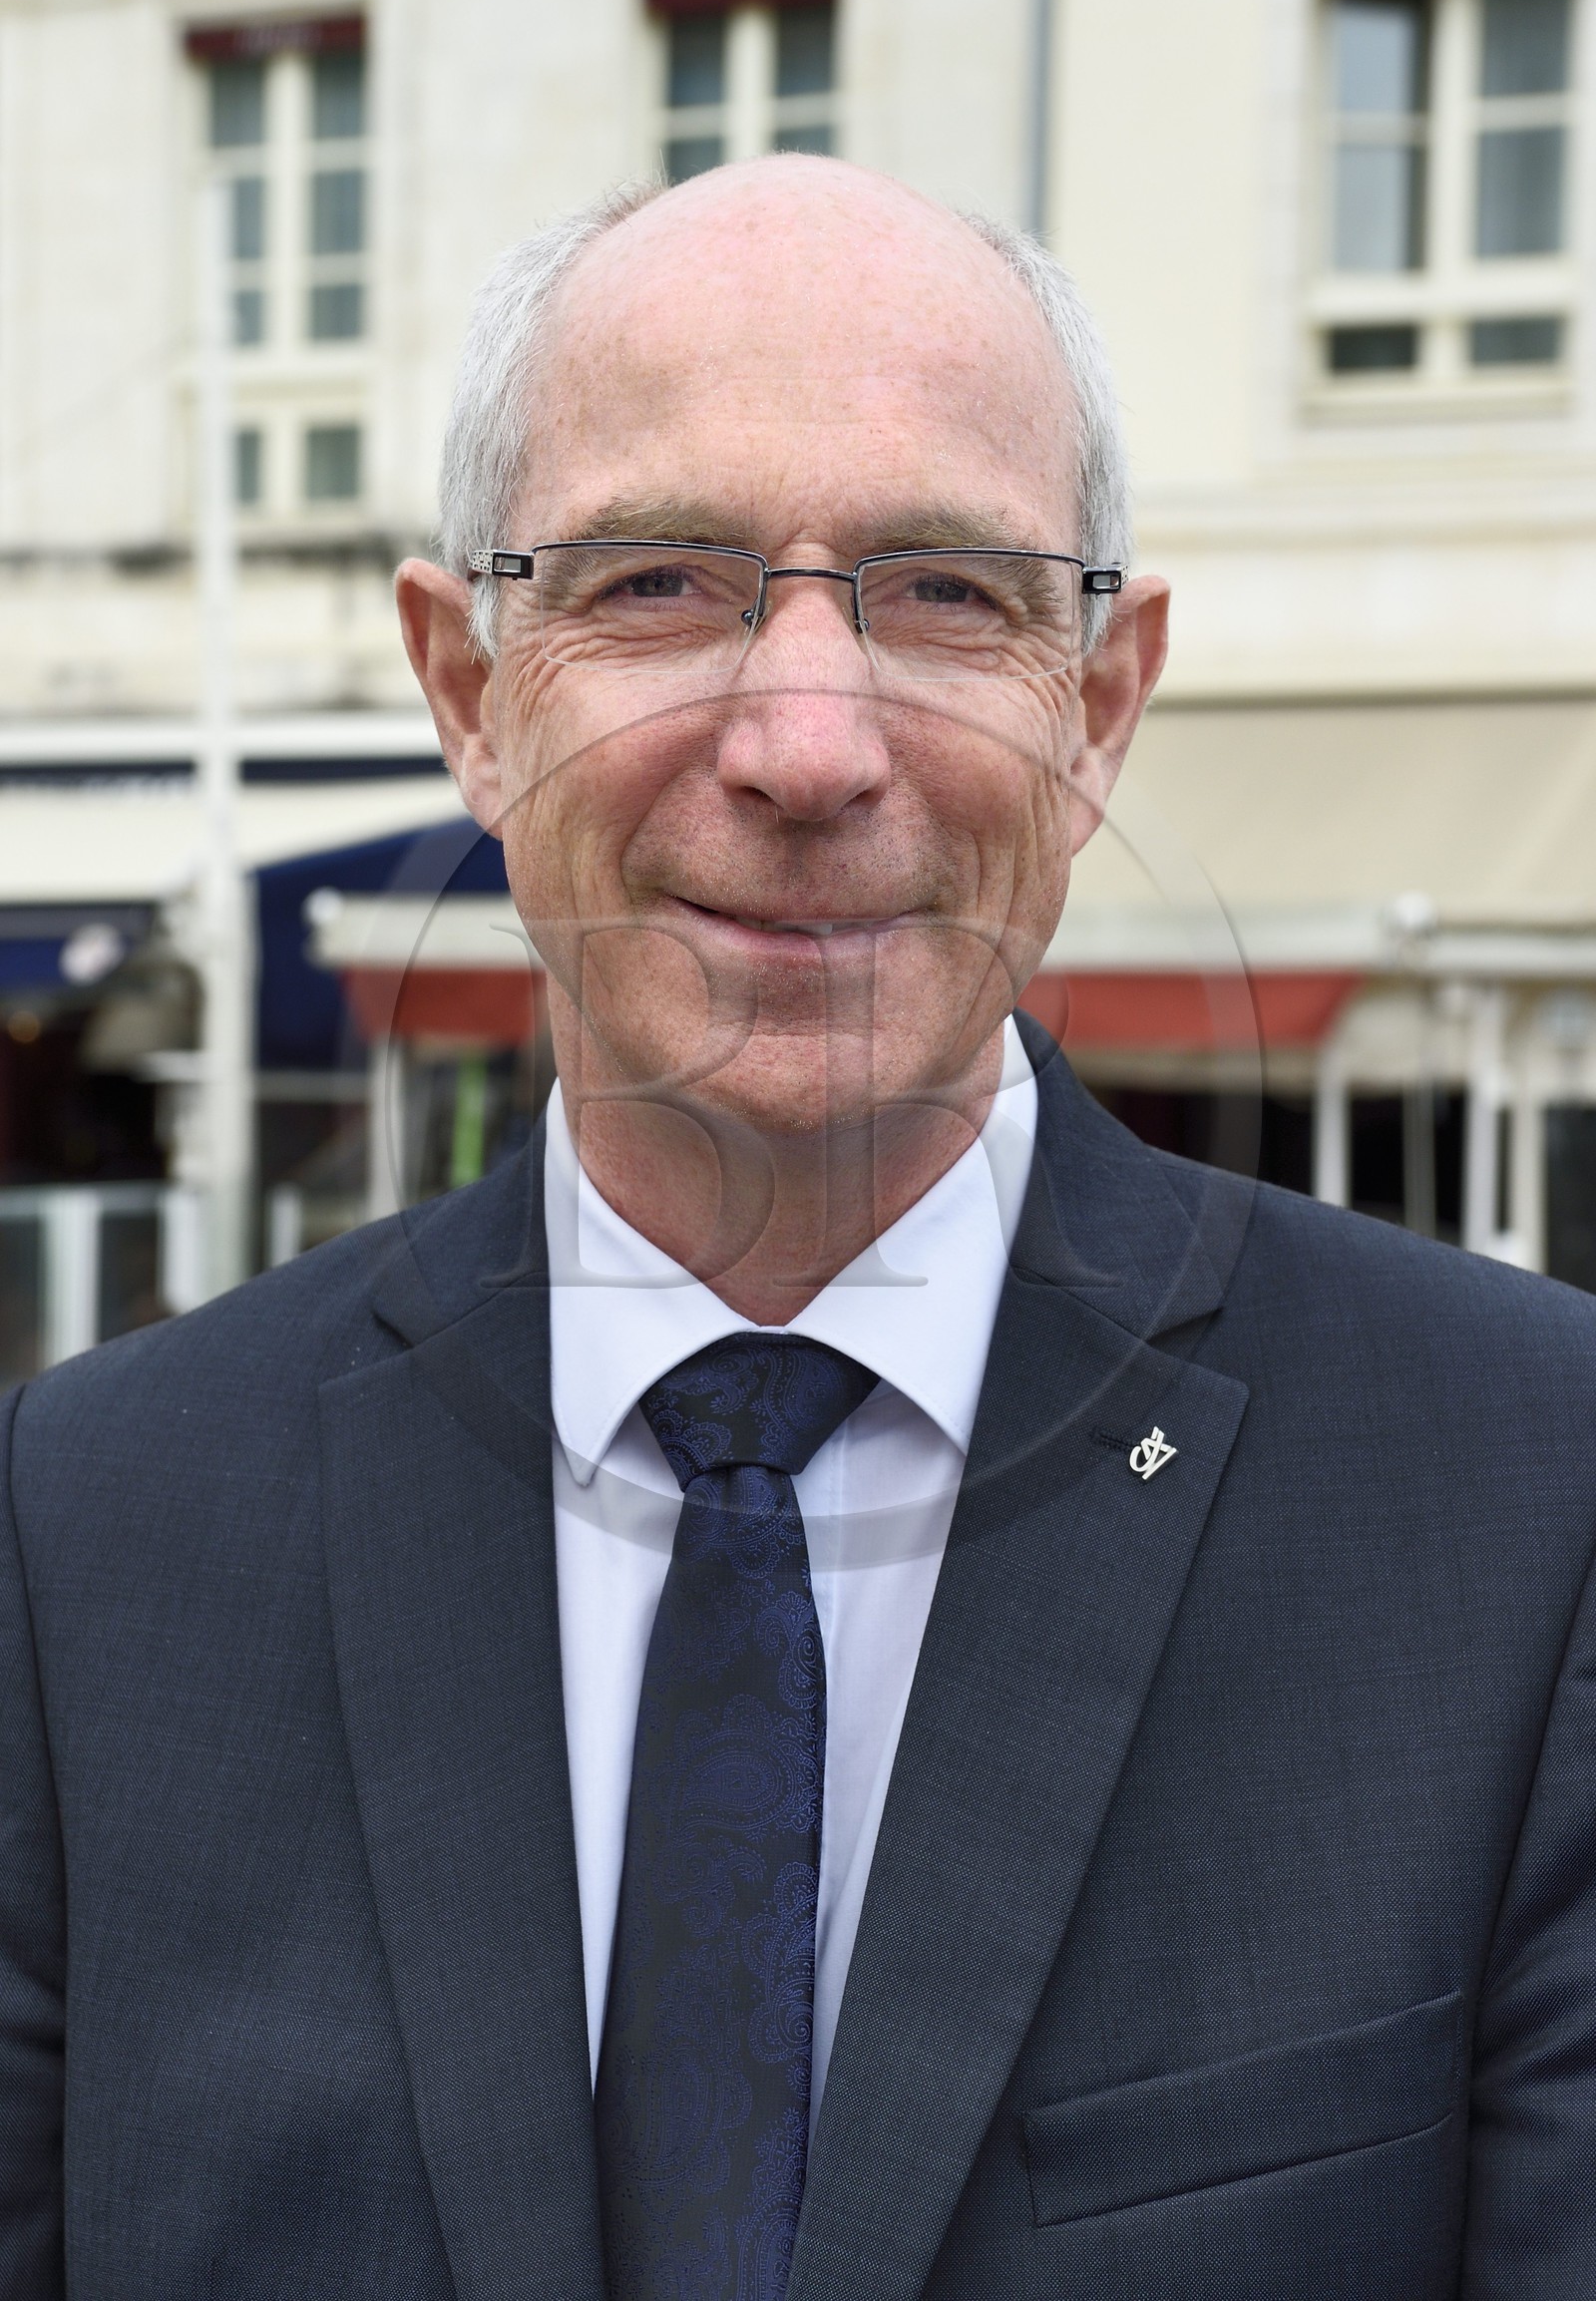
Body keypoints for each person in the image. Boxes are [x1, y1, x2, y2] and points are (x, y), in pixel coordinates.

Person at [4, 157, 1596, 2301]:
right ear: (472, 695)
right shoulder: (85, 1552)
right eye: (659, 580)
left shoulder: (1523, 1505)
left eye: (946, 592)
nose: (809, 742)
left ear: (1096, 704)